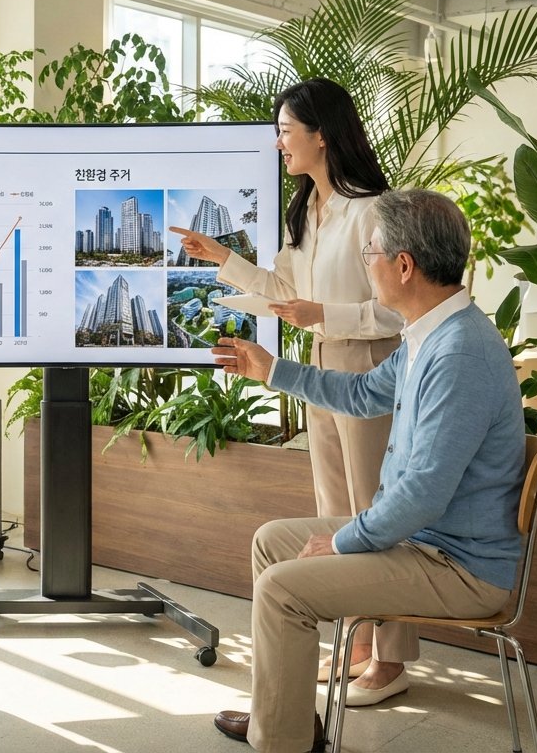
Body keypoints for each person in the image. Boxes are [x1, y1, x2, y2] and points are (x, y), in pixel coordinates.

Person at [208, 189, 525, 752]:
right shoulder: (427, 335)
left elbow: (424, 493)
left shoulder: (459, 354)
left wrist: (345, 540)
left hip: (457, 565)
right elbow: (359, 393)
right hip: (427, 543)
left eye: (370, 252)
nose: (365, 263)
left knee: (284, 590)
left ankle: (282, 745)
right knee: (271, 543)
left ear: (404, 265)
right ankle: (283, 719)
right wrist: (271, 370)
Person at [169, 77, 412, 700]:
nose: (278, 142)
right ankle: (357, 641)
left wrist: (322, 317)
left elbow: (397, 312)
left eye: (285, 131)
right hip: (322, 365)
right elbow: (284, 294)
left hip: (369, 366)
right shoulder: (306, 209)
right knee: (335, 507)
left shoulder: (374, 212)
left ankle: (392, 658)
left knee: (376, 511)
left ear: (321, 136)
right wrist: (220, 257)